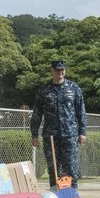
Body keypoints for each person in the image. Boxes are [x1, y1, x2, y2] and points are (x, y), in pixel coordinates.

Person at [30, 59, 87, 189]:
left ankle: (72, 196)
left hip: (70, 135)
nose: (60, 73)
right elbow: (37, 114)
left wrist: (82, 132)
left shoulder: (74, 88)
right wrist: (34, 134)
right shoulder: (44, 90)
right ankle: (55, 195)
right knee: (53, 167)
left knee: (71, 167)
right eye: (57, 70)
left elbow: (81, 111)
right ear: (51, 70)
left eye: (62, 70)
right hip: (50, 136)